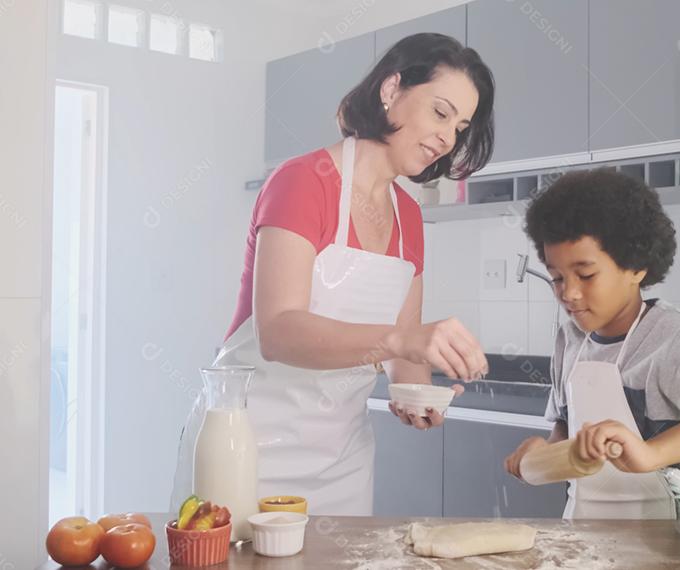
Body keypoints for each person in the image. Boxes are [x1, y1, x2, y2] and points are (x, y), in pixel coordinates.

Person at [174, 33, 496, 516]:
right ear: (391, 89)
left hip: (340, 461)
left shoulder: (409, 218)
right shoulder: (303, 181)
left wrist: (418, 395)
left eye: (462, 126)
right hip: (244, 448)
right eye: (441, 112)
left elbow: (403, 352)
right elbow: (279, 332)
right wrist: (404, 342)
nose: (449, 138)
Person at [503, 168, 680, 519]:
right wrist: (542, 457)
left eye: (586, 274)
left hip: (663, 543)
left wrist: (650, 453)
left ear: (637, 266)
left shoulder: (672, 334)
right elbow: (568, 432)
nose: (569, 293)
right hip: (583, 536)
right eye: (557, 277)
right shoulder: (570, 339)